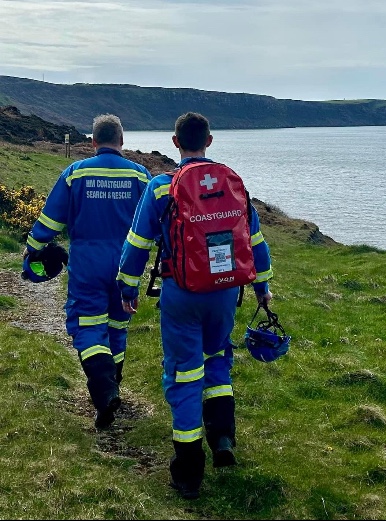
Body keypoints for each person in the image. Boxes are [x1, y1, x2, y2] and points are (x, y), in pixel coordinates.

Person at [117, 112, 273, 500]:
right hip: (225, 293)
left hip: (182, 293)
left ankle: (188, 472)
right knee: (218, 357)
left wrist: (127, 286)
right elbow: (255, 241)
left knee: (185, 373)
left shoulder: (160, 188)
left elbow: (137, 243)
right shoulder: (231, 183)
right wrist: (263, 288)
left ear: (175, 142)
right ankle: (223, 438)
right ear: (209, 141)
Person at [24, 114, 152, 429]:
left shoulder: (76, 173)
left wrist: (33, 247)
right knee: (117, 328)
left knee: (87, 327)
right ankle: (113, 386)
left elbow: (51, 219)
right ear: (122, 141)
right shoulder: (140, 176)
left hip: (87, 264)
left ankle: (105, 393)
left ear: (93, 142)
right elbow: (156, 223)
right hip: (126, 265)